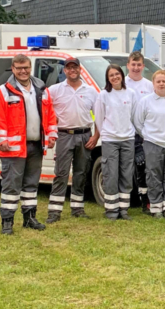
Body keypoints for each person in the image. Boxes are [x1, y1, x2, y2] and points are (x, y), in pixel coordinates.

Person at [0, 54, 58, 235]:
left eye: (26, 67)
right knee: (11, 186)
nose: (23, 71)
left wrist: (52, 135)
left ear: (31, 68)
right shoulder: (4, 90)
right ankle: (7, 221)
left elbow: (50, 114)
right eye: (19, 68)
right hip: (12, 148)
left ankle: (29, 218)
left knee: (31, 184)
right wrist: (1, 140)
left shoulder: (42, 88)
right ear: (12, 69)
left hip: (36, 145)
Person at [46, 58, 99, 224]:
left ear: (80, 69)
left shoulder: (91, 91)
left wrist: (96, 136)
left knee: (81, 173)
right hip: (63, 135)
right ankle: (55, 211)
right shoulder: (54, 90)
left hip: (84, 135)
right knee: (61, 173)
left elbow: (99, 116)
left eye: (75, 67)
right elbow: (46, 112)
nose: (72, 70)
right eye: (69, 68)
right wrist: (50, 133)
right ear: (64, 71)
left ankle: (77, 208)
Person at [133, 70, 165, 219]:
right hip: (153, 144)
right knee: (153, 176)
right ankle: (155, 208)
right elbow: (138, 122)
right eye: (158, 81)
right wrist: (148, 136)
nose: (161, 84)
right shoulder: (145, 101)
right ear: (153, 84)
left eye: (164, 81)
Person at [94, 65, 137, 220]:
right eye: (111, 75)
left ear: (122, 75)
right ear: (108, 78)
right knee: (110, 173)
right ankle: (111, 209)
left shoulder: (131, 94)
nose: (114, 77)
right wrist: (105, 133)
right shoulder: (104, 95)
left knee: (126, 174)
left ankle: (123, 209)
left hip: (127, 139)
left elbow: (134, 115)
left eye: (117, 74)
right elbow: (99, 118)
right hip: (110, 140)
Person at [125, 52, 154, 214]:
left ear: (143, 66)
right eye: (133, 64)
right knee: (124, 169)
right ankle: (124, 202)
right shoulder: (120, 83)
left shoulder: (149, 85)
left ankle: (145, 203)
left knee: (144, 169)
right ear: (128, 65)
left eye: (139, 65)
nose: (136, 68)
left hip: (144, 134)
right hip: (125, 132)